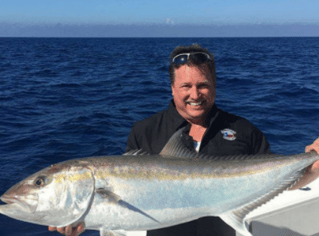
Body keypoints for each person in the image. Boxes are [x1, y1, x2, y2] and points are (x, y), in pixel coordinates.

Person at [49, 44, 319, 236]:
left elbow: (280, 182)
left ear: (214, 85)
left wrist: (313, 166)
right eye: (185, 87)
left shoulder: (242, 129)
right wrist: (80, 222)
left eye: (203, 85)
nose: (195, 94)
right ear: (172, 88)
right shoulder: (145, 131)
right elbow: (123, 206)